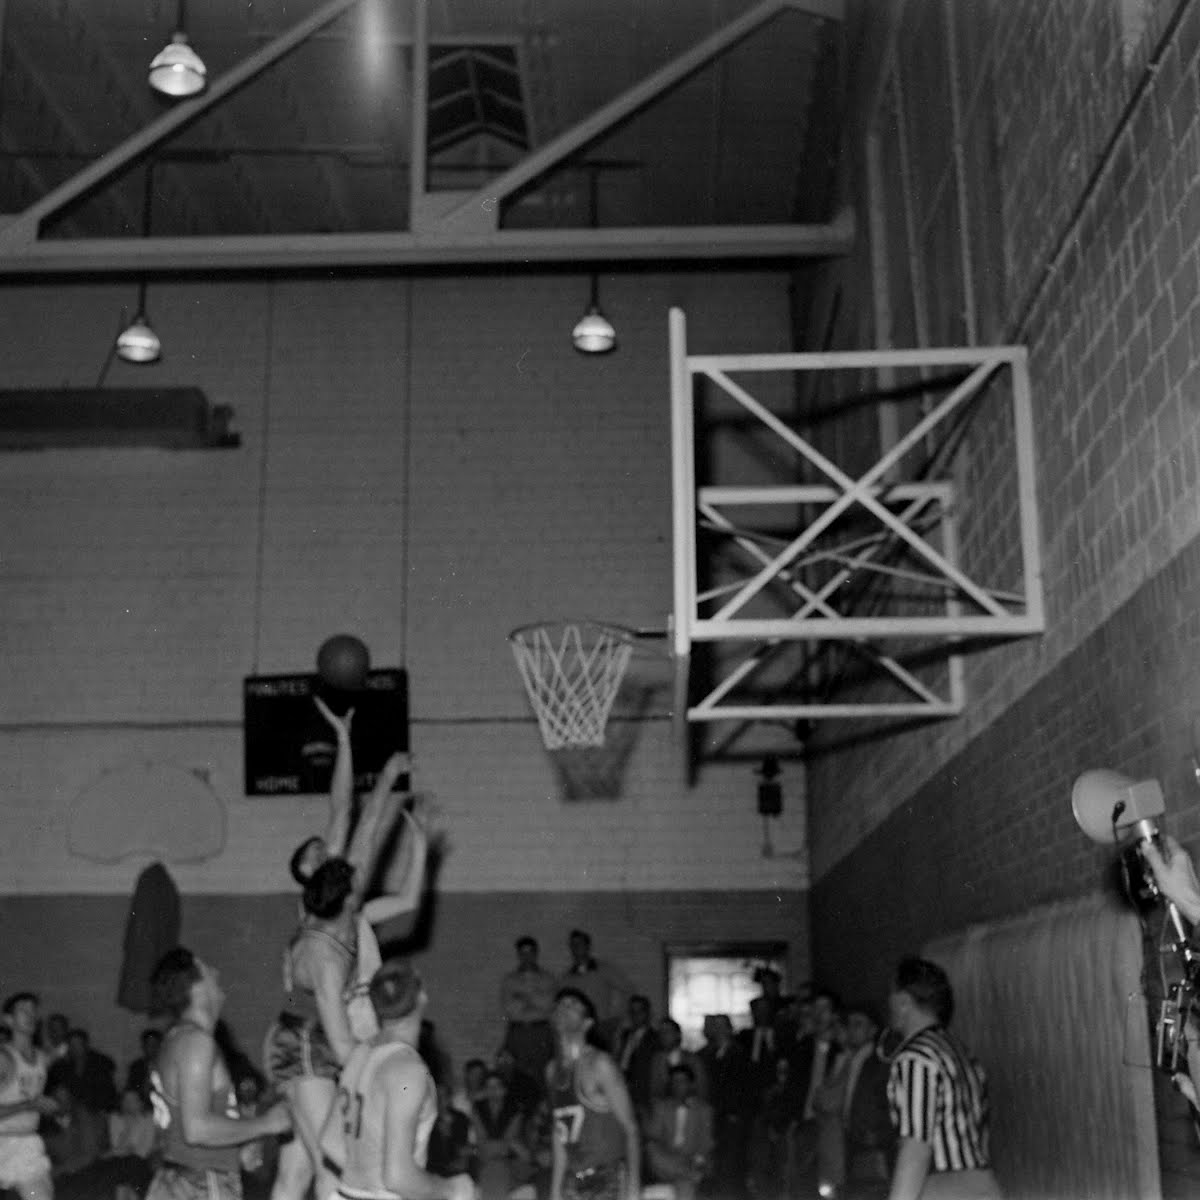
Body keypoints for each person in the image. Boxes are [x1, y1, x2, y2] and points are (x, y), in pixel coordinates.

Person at [267, 737, 431, 1200]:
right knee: (336, 1165)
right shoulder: (318, 919)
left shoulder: (347, 913)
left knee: (296, 1171)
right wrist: (379, 773)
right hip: (315, 1038)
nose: (325, 852)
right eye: (314, 856)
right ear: (307, 877)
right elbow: (345, 816)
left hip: (335, 1031)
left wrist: (355, 749)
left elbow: (363, 827)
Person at [320, 959, 475, 1200]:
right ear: (422, 996)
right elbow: (398, 1178)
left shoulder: (359, 1055)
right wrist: (452, 1190)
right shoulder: (407, 1071)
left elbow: (330, 1141)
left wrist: (366, 1178)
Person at [145, 947, 291, 1200]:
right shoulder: (196, 1043)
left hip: (184, 1179)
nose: (217, 972)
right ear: (196, 985)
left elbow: (184, 1128)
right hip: (200, 1184)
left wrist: (234, 1153)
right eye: (208, 969)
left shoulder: (178, 1039)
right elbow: (197, 1129)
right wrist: (267, 1124)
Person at [884, 957, 1001, 1200]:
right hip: (983, 1183)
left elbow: (916, 1149)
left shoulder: (915, 1057)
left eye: (891, 994)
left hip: (943, 1187)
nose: (888, 1002)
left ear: (904, 1001)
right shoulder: (959, 1051)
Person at [545, 987, 639, 1200]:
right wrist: (554, 1189)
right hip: (573, 1178)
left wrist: (634, 1189)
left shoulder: (600, 1064)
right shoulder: (552, 1071)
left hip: (607, 1176)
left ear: (587, 1024)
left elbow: (631, 1129)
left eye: (573, 1005)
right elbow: (560, 1131)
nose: (564, 1008)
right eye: (560, 1005)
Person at [0, 992, 59, 1200]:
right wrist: (30, 1105)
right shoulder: (4, 1058)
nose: (31, 1015)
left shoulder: (42, 1058)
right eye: (23, 1010)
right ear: (8, 1020)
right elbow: (31, 1102)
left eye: (33, 1010)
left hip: (26, 1145)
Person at [642, 1064, 712, 1200]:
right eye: (674, 1081)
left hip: (690, 1159)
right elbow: (652, 1137)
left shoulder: (703, 1110)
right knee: (651, 1149)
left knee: (684, 1185)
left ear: (691, 1085)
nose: (677, 1085)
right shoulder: (661, 1107)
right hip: (667, 1159)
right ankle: (687, 1174)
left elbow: (706, 1142)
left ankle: (686, 1175)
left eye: (682, 1081)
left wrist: (698, 1161)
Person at [501, 937, 558, 1085]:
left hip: (541, 1031)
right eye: (522, 953)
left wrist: (522, 996)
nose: (526, 957)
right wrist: (536, 997)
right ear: (518, 955)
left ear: (536, 954)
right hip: (518, 1032)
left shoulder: (548, 978)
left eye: (530, 953)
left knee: (544, 1073)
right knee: (517, 1075)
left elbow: (549, 1005)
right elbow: (510, 1010)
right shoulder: (509, 980)